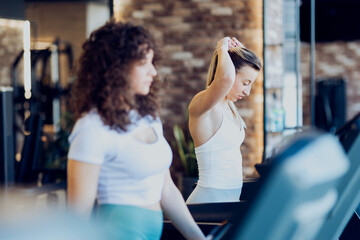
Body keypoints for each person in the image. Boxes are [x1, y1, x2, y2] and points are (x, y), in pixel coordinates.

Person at [67, 20, 205, 240]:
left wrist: (199, 238)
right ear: (116, 67)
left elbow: (166, 190)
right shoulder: (92, 128)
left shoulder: (147, 118)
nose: (153, 71)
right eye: (143, 63)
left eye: (152, 62)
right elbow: (77, 219)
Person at [186, 37, 262, 204]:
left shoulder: (229, 108)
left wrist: (242, 55)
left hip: (227, 202)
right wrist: (222, 49)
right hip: (206, 205)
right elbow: (225, 78)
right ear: (229, 72)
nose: (247, 91)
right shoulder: (202, 104)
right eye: (245, 82)